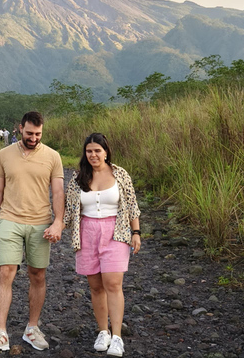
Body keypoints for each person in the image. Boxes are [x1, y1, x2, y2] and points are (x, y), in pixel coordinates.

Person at [0, 111, 65, 352]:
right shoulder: (4, 154)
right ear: (20, 129)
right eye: (29, 133)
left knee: (37, 274)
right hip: (10, 219)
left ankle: (32, 328)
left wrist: (58, 222)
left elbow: (58, 192)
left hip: (41, 223)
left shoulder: (53, 156)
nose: (34, 138)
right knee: (6, 272)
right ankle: (1, 333)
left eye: (38, 134)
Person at [63, 133, 141, 357]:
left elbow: (132, 205)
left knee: (113, 284)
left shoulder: (120, 174)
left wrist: (136, 232)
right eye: (89, 151)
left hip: (115, 232)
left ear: (106, 152)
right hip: (87, 233)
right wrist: (54, 227)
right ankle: (103, 331)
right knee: (95, 286)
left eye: (97, 150)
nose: (93, 155)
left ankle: (117, 337)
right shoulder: (78, 178)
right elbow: (68, 211)